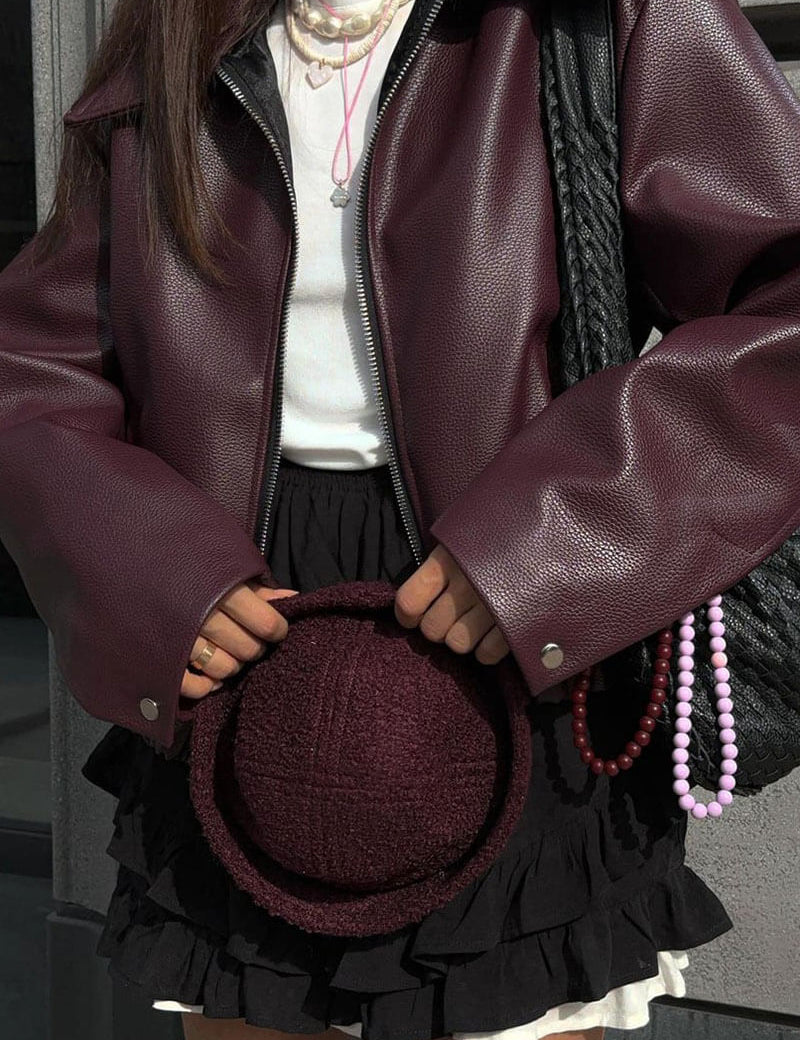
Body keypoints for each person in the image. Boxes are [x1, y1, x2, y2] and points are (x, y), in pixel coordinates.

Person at [2, 0, 800, 1036]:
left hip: (514, 604)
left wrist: (556, 544)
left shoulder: (596, 16)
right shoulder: (180, 28)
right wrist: (145, 569)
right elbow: (32, 375)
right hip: (233, 607)